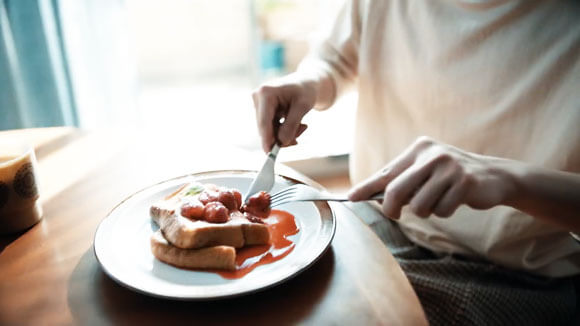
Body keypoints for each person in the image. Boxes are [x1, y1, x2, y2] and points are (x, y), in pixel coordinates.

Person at [251, 0, 580, 325]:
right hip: (380, 219)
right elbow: (332, 59)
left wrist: (509, 180)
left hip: (523, 277)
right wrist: (310, 81)